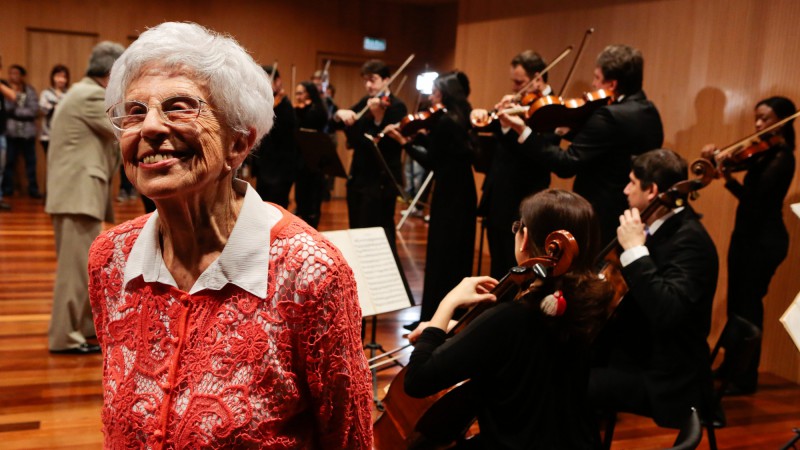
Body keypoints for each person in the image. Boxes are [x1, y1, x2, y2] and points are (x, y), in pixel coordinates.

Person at [90, 22, 372, 448]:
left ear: (239, 144)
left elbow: (348, 438)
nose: (148, 127)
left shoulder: (309, 273)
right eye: (133, 111)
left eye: (179, 106)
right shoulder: (110, 257)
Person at [403, 189, 613, 449]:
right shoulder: (586, 306)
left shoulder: (510, 317)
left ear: (524, 239)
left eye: (518, 227)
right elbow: (524, 348)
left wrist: (449, 302)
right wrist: (462, 330)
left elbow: (417, 380)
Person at [589, 149, 718, 429]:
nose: (625, 190)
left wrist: (636, 250)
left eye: (632, 182)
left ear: (652, 191)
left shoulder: (691, 243)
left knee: (571, 385)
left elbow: (667, 311)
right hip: (637, 347)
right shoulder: (655, 225)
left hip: (667, 376)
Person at [700, 96, 796, 395]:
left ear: (782, 120)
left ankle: (745, 376)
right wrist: (719, 163)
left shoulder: (782, 158)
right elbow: (743, 175)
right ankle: (731, 367)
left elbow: (755, 202)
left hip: (764, 241)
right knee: (737, 304)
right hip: (748, 237)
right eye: (757, 117)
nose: (757, 124)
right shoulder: (763, 154)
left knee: (749, 307)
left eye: (765, 118)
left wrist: (725, 175)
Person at [533, 44, 664, 243]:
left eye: (597, 78)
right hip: (629, 214)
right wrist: (574, 131)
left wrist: (526, 134)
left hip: (600, 214)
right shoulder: (649, 111)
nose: (593, 85)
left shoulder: (608, 115)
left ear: (612, 84)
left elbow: (566, 164)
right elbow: (614, 146)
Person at [44, 41, 125, 354]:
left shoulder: (80, 92)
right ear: (110, 74)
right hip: (77, 193)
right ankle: (65, 337)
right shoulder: (90, 95)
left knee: (84, 267)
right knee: (75, 270)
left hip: (76, 193)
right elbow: (122, 129)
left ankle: (83, 327)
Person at [383, 71, 477, 326]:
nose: (431, 97)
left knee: (440, 256)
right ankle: (450, 315)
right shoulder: (459, 117)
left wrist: (405, 142)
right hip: (463, 191)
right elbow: (447, 151)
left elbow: (433, 161)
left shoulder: (446, 122)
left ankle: (433, 318)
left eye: (435, 92)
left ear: (444, 94)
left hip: (449, 194)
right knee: (454, 256)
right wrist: (423, 136)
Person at [470, 50, 554, 279]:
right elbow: (499, 138)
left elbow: (541, 153)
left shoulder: (552, 109)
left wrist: (511, 126)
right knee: (498, 264)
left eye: (520, 82)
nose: (516, 88)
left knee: (513, 267)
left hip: (521, 196)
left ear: (537, 78)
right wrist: (487, 116)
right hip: (498, 197)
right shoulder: (520, 102)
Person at [333, 59, 407, 250]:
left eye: (372, 79)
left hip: (381, 183)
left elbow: (389, 145)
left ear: (386, 80)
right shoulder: (364, 104)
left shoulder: (397, 107)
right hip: (359, 179)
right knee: (357, 232)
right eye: (365, 80)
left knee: (381, 234)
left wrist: (378, 119)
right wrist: (340, 113)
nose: (368, 85)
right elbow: (354, 137)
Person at [252, 65, 298, 208]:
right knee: (262, 206)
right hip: (265, 166)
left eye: (269, 81)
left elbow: (283, 133)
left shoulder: (285, 106)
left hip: (280, 169)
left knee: (276, 207)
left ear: (278, 82)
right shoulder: (264, 104)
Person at [2, 64, 41, 198]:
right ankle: (7, 189)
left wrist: (16, 112)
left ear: (22, 75)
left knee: (31, 162)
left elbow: (34, 109)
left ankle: (33, 189)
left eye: (16, 73)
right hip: (11, 132)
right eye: (11, 73)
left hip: (27, 132)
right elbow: (5, 108)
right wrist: (15, 112)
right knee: (9, 162)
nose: (13, 76)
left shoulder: (29, 91)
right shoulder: (5, 90)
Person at [293, 80, 328, 228]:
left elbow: (312, 122)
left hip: (314, 158)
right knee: (301, 191)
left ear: (309, 93)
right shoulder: (300, 109)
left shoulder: (318, 109)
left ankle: (312, 221)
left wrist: (301, 110)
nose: (298, 97)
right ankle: (301, 214)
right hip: (300, 159)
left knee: (313, 194)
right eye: (297, 93)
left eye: (301, 93)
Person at [39, 64, 70, 154]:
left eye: (64, 77)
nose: (61, 79)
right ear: (53, 77)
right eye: (58, 76)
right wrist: (55, 107)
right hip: (48, 135)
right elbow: (43, 108)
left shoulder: (70, 94)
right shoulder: (46, 93)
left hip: (65, 135)